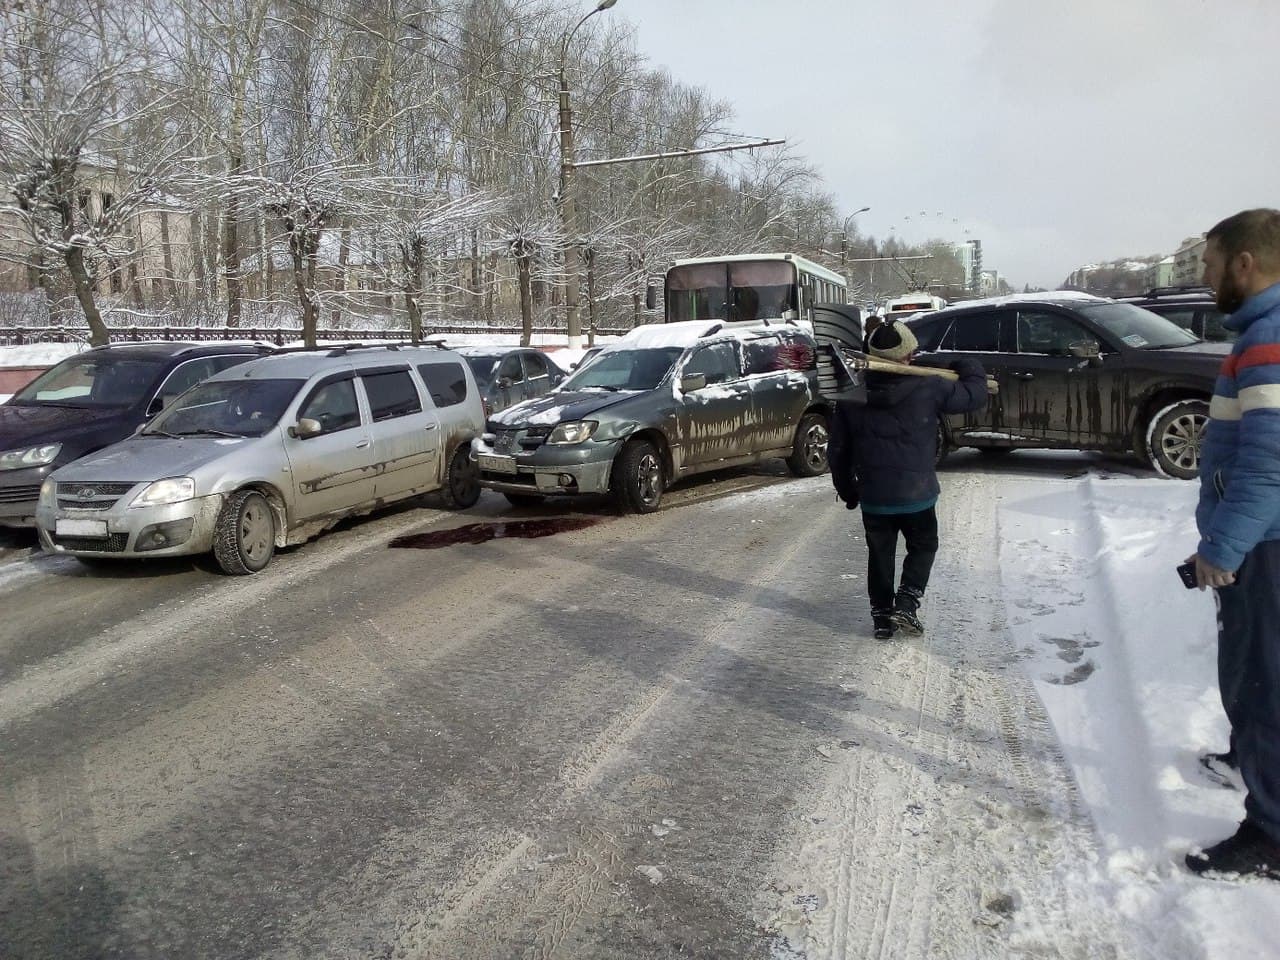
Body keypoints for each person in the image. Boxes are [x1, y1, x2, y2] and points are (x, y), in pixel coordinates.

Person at [1184, 208, 1280, 881]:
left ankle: (1270, 834)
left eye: (1211, 264)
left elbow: (1268, 465)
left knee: (1261, 684)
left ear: (1244, 264)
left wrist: (1222, 548)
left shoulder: (1268, 339)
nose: (1207, 277)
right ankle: (1252, 761)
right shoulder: (1262, 333)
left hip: (1266, 546)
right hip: (1265, 539)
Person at [827, 320, 988, 640]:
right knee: (924, 545)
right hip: (917, 494)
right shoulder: (930, 386)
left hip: (875, 494)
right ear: (905, 356)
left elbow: (838, 450)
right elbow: (974, 395)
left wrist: (847, 489)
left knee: (880, 554)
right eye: (911, 353)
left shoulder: (852, 394)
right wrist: (969, 365)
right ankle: (907, 601)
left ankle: (882, 618)